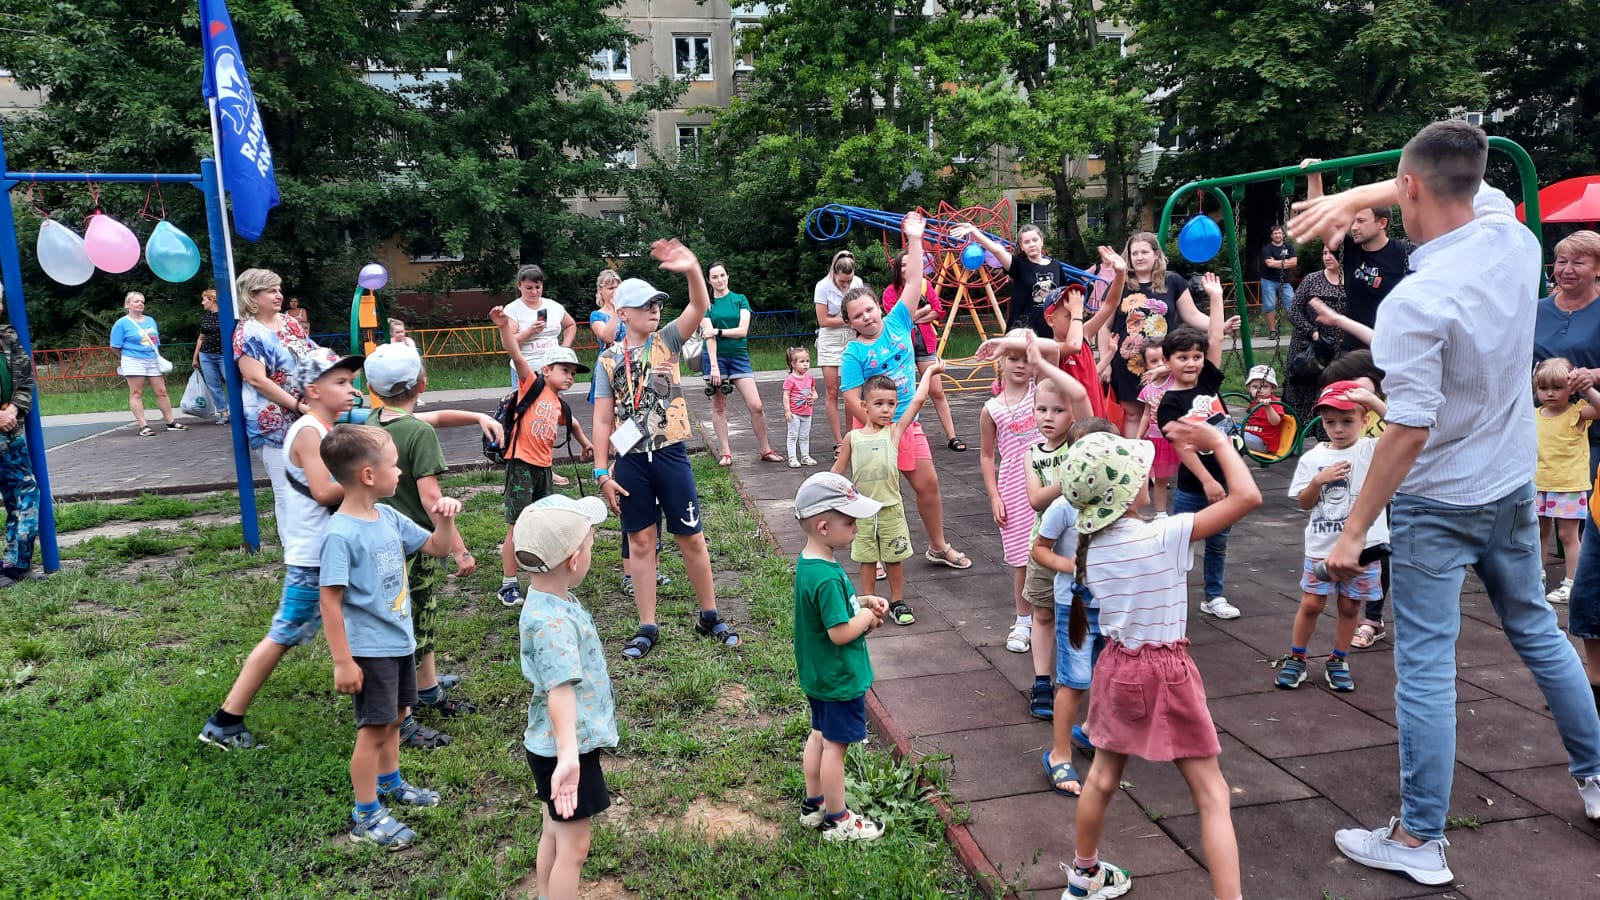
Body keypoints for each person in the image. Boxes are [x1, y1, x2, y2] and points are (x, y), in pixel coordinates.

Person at [1294, 119, 1600, 885]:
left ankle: (1420, 838)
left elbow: (1407, 426)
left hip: (1436, 502)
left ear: (1409, 191)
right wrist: (1378, 186)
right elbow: (1467, 176)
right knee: (1536, 628)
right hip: (1509, 486)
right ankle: (1596, 778)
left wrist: (1354, 527)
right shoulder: (1515, 241)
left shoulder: (1416, 299)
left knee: (1427, 663)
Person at [1056, 424, 1260, 900]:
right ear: (1129, 493)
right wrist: (1220, 444)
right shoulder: (1164, 535)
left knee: (1103, 777)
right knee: (1212, 794)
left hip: (1117, 667)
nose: (1152, 476)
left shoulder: (1090, 552)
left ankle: (1084, 877)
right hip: (1166, 671)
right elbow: (1247, 497)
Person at [197, 350, 365, 751]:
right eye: (340, 383)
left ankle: (396, 700)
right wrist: (369, 483)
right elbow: (325, 492)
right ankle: (225, 721)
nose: (351, 390)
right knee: (286, 630)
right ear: (312, 390)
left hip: (331, 549)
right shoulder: (310, 431)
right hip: (314, 555)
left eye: (351, 382)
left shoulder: (324, 426)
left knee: (370, 619)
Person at [593, 240, 740, 659]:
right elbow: (603, 420)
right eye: (644, 305)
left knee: (691, 537)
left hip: (672, 454)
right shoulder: (607, 361)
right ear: (622, 313)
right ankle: (647, 625)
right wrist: (602, 472)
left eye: (657, 304)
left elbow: (698, 305)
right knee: (641, 541)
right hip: (631, 461)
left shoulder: (668, 341)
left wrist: (693, 267)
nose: (654, 310)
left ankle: (709, 615)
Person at [319, 423, 461, 849]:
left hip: (400, 641)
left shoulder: (389, 517)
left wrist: (444, 520)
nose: (399, 473)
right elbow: (329, 602)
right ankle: (365, 814)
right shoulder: (340, 534)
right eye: (394, 466)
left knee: (396, 719)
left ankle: (391, 784)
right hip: (369, 649)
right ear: (368, 475)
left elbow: (437, 548)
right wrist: (343, 661)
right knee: (374, 729)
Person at [365, 343, 483, 750]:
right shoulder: (418, 433)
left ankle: (428, 688)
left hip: (380, 543)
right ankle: (406, 717)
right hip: (414, 546)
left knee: (420, 613)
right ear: (422, 383)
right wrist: (460, 549)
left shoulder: (371, 423)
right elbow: (433, 498)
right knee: (408, 625)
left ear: (371, 388)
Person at [840, 212, 971, 570]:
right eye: (857, 315)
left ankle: (937, 546)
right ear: (850, 323)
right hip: (872, 433)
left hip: (908, 424)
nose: (866, 317)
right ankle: (873, 554)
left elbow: (914, 279)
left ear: (878, 307)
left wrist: (915, 237)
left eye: (869, 309)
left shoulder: (898, 318)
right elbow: (851, 398)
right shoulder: (854, 353)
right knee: (872, 496)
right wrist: (878, 426)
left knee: (928, 485)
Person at [513, 493, 615, 900]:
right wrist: (570, 757)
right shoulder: (554, 622)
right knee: (575, 848)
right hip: (566, 750)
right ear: (574, 560)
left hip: (545, 746)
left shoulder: (544, 601)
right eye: (590, 543)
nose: (592, 550)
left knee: (553, 833)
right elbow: (559, 691)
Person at [791, 471, 890, 841]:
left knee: (819, 735)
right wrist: (865, 618)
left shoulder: (810, 564)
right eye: (850, 523)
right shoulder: (829, 577)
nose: (856, 529)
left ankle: (814, 803)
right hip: (838, 676)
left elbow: (828, 611)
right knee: (836, 746)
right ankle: (838, 819)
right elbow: (839, 632)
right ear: (823, 526)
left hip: (818, 675)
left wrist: (861, 602)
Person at [1278, 381, 1389, 693]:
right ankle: (1297, 657)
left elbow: (1401, 429)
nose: (1338, 429)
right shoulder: (1313, 457)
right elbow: (1303, 502)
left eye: (1347, 421)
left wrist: (1370, 398)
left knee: (1351, 606)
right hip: (1322, 547)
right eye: (1330, 422)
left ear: (1365, 420)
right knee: (1312, 603)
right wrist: (1318, 481)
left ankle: (1338, 659)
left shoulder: (1370, 449)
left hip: (1363, 548)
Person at [1033, 417, 1118, 796]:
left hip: (1113, 605)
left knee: (1107, 674)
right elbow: (1040, 549)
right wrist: (1073, 567)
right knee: (1075, 679)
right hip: (1076, 604)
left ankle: (1089, 731)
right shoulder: (1065, 505)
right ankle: (1059, 752)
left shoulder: (1121, 500)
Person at [489, 307, 594, 609]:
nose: (570, 377)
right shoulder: (531, 386)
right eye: (565, 370)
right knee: (515, 525)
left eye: (573, 374)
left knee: (542, 522)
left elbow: (571, 424)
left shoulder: (559, 404)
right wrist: (502, 328)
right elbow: (515, 353)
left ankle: (545, 574)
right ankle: (509, 584)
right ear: (546, 370)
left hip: (544, 470)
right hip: (521, 465)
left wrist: (586, 444)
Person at [1155, 273, 1242, 620]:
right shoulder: (1170, 404)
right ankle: (1169, 596)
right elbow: (1183, 449)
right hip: (1195, 486)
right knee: (1181, 543)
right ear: (1167, 362)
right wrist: (1206, 480)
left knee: (1218, 543)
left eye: (1195, 356)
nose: (1191, 363)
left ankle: (1214, 596)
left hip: (1227, 479)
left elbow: (1216, 337)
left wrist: (1216, 298)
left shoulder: (1208, 381)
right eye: (1183, 358)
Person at [834, 363, 944, 627]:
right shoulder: (853, 437)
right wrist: (822, 497)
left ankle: (897, 602)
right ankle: (870, 603)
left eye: (891, 404)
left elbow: (918, 400)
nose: (886, 409)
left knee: (894, 560)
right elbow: (836, 472)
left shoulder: (894, 433)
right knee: (867, 560)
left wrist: (928, 372)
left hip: (891, 509)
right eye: (879, 403)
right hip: (862, 512)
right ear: (864, 406)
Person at [1022, 346, 1097, 720]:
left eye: (1058, 410)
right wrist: (1069, 478)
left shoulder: (1082, 443)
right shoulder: (1031, 453)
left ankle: (1079, 682)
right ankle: (1040, 680)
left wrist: (1041, 364)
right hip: (1046, 546)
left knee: (1081, 614)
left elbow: (1082, 396)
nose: (1048, 417)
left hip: (1083, 545)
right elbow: (1036, 499)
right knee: (1044, 614)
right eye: (1041, 409)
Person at [1104, 233, 1238, 437]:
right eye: (1134, 253)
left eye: (1144, 252)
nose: (1139, 257)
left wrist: (1219, 325)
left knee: (1164, 411)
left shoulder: (1172, 281)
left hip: (1163, 362)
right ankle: (1137, 460)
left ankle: (1166, 458)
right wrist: (1105, 363)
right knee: (1133, 415)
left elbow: (1192, 314)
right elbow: (1104, 326)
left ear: (1156, 254)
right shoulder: (1120, 283)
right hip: (1128, 364)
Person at [1304, 160, 1413, 351]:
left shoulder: (1404, 253)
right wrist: (1314, 177)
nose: (1354, 227)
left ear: (1382, 223)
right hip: (1353, 346)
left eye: (1361, 221)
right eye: (1353, 221)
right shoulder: (1350, 250)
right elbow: (1321, 221)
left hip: (1392, 345)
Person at [979, 332, 1043, 655]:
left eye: (1024, 357)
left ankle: (1059, 613)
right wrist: (994, 495)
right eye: (1012, 358)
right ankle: (1023, 619)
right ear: (1001, 362)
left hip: (1049, 483)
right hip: (1014, 489)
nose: (1019, 364)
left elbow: (1054, 353)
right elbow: (987, 455)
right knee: (1022, 560)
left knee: (1059, 550)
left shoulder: (1042, 394)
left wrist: (1013, 343)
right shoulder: (991, 409)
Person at [1533, 230, 1600, 479]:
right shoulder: (1537, 310)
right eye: (1562, 261)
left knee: (1587, 511)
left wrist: (1593, 375)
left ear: (1597, 268)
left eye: (1578, 262)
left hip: (1591, 429)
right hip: (1544, 429)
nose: (1567, 269)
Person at [1533, 357, 1600, 604]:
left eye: (1557, 387)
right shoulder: (1534, 414)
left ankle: (1572, 582)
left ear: (1570, 389)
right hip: (1539, 483)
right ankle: (1535, 576)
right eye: (1544, 388)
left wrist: (1587, 387)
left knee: (1568, 536)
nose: (1549, 393)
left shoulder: (1578, 413)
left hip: (1568, 486)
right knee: (1538, 532)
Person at [883, 249, 964, 451]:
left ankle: (952, 436)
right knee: (901, 391)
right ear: (897, 269)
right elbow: (897, 322)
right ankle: (896, 433)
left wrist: (917, 315)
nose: (906, 269)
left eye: (910, 265)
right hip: (902, 348)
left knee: (937, 390)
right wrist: (923, 311)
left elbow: (937, 311)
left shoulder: (925, 285)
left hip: (925, 343)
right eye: (902, 265)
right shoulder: (890, 292)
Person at [700, 261, 781, 465]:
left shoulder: (740, 300)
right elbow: (707, 337)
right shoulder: (705, 304)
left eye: (722, 275)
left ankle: (765, 449)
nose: (719, 280)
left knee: (756, 405)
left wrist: (718, 332)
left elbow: (742, 330)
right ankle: (726, 452)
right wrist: (714, 367)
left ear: (728, 276)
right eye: (715, 277)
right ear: (709, 280)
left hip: (739, 357)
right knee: (719, 405)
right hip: (715, 358)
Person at [0, 286, 41, 588]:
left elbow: (26, 379)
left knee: (25, 493)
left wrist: (14, 407)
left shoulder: (7, 337)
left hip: (9, 429)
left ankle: (16, 565)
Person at [1283, 245, 1347, 423]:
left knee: (1329, 388)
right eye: (1324, 253)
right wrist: (1312, 332)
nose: (1327, 257)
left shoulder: (1351, 280)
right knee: (1300, 385)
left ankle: (1324, 432)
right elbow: (1294, 310)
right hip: (1306, 344)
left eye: (1331, 254)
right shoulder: (1312, 279)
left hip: (1335, 347)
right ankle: (1295, 431)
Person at [110, 291, 187, 436]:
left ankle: (170, 421)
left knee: (161, 391)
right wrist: (122, 360)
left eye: (142, 302)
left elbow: (155, 340)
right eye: (136, 301)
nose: (140, 304)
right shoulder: (122, 323)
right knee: (137, 392)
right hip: (133, 359)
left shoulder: (150, 321)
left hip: (152, 359)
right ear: (128, 305)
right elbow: (114, 346)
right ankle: (143, 425)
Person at [814, 251, 864, 458]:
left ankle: (851, 436)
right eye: (842, 282)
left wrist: (851, 321)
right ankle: (838, 442)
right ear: (834, 274)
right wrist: (849, 319)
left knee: (851, 390)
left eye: (849, 281)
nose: (846, 286)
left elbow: (861, 311)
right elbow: (823, 320)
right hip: (830, 338)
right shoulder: (822, 286)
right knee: (832, 390)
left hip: (852, 336)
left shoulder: (858, 283)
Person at [505, 264, 577, 392]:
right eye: (529, 288)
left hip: (553, 369)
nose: (534, 292)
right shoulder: (513, 309)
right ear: (519, 286)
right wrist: (530, 331)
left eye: (538, 287)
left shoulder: (553, 306)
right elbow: (509, 342)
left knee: (553, 406)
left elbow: (570, 325)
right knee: (526, 408)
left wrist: (564, 348)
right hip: (526, 368)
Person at [1135, 344, 1177, 516]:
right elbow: (1146, 414)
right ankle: (1160, 514)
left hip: (1179, 437)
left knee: (1188, 475)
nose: (1160, 364)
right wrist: (1138, 436)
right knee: (1161, 478)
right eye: (1153, 361)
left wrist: (1163, 370)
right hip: (1157, 439)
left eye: (1164, 359)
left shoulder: (1176, 379)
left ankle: (1188, 509)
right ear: (1145, 366)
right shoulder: (1148, 390)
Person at [191, 288, 229, 426]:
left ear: (211, 300)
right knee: (213, 385)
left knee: (231, 382)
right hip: (206, 354)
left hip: (224, 355)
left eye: (204, 300)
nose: (202, 303)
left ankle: (238, 410)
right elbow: (201, 338)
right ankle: (223, 412)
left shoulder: (226, 315)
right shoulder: (206, 317)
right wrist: (195, 357)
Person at [587, 269, 622, 405]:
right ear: (601, 290)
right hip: (608, 363)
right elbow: (608, 337)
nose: (615, 291)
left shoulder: (629, 311)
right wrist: (615, 311)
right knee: (607, 408)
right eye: (610, 288)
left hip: (629, 360)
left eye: (617, 287)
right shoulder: (596, 315)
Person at [783, 346, 819, 467]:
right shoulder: (790, 379)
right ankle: (792, 458)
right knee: (793, 435)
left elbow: (814, 391)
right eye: (802, 361)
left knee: (804, 436)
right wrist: (787, 411)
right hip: (794, 413)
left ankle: (805, 456)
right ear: (793, 364)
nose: (806, 364)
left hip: (807, 412)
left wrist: (814, 397)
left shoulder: (810, 378)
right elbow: (786, 395)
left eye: (807, 361)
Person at [1258, 225, 1297, 334]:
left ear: (1283, 234)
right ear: (1272, 236)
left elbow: (1294, 262)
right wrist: (1286, 262)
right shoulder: (1267, 248)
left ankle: (1297, 329)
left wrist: (1276, 262)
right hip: (1268, 280)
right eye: (1275, 233)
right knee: (1270, 305)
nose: (1278, 235)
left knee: (1292, 303)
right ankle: (1272, 330)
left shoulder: (1289, 247)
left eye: (1279, 233)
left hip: (1285, 281)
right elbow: (1269, 264)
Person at [1242, 364, 1285, 454]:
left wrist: (1268, 408)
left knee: (1234, 437)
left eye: (1265, 387)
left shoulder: (1274, 402)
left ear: (1272, 388)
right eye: (1255, 387)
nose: (1259, 390)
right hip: (1251, 436)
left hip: (1264, 442)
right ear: (1249, 388)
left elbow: (1275, 422)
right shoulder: (1255, 402)